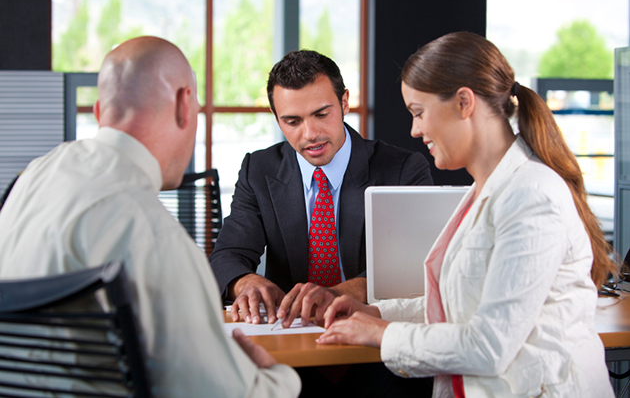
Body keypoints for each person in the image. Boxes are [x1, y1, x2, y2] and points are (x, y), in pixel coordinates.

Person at [318, 31, 617, 398]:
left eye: (419, 112)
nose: (415, 130)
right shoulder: (485, 192)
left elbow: (489, 345)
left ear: (463, 102)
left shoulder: (532, 196)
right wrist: (377, 312)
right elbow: (458, 305)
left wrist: (381, 334)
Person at [0, 36, 300, 398]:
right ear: (184, 104)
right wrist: (279, 379)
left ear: (99, 112)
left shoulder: (31, 179)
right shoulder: (150, 233)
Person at [209, 49, 434, 397]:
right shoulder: (259, 169)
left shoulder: (403, 168)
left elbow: (417, 270)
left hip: (378, 355)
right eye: (292, 121)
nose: (310, 133)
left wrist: (344, 292)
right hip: (292, 356)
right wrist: (245, 282)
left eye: (321, 114)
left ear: (344, 102)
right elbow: (227, 255)